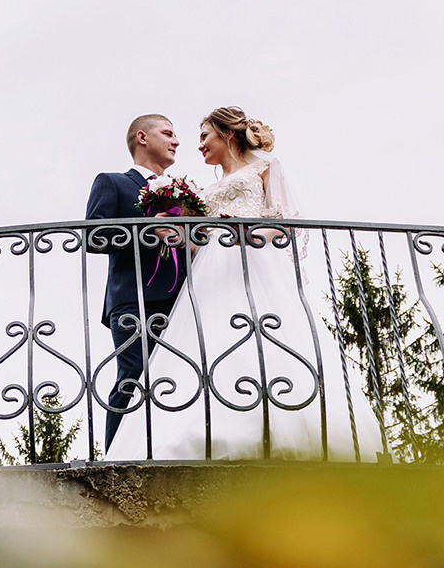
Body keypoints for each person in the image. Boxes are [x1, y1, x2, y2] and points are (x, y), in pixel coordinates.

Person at [144, 106, 326, 459]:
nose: (198, 146)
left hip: (255, 261)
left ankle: (279, 427)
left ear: (226, 134)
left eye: (203, 136)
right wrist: (173, 233)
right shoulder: (205, 192)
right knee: (213, 337)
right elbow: (198, 240)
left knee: (268, 335)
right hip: (213, 270)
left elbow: (286, 220)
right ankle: (216, 429)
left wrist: (253, 235)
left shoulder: (265, 167)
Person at [85, 113, 186, 450]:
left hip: (182, 299)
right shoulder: (113, 182)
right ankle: (116, 457)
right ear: (142, 137)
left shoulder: (185, 192)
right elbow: (93, 237)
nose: (176, 141)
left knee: (179, 380)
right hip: (133, 300)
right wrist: (146, 231)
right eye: (168, 133)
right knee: (133, 376)